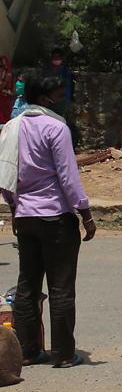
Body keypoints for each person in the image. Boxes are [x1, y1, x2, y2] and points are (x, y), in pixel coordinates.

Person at [0, 73, 96, 369]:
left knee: (27, 285)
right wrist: (86, 214)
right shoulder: (56, 128)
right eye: (57, 93)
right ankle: (64, 354)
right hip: (56, 217)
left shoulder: (12, 128)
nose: (62, 99)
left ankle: (28, 352)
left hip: (26, 217)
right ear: (44, 99)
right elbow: (68, 177)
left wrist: (15, 210)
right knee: (61, 287)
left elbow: (6, 174)